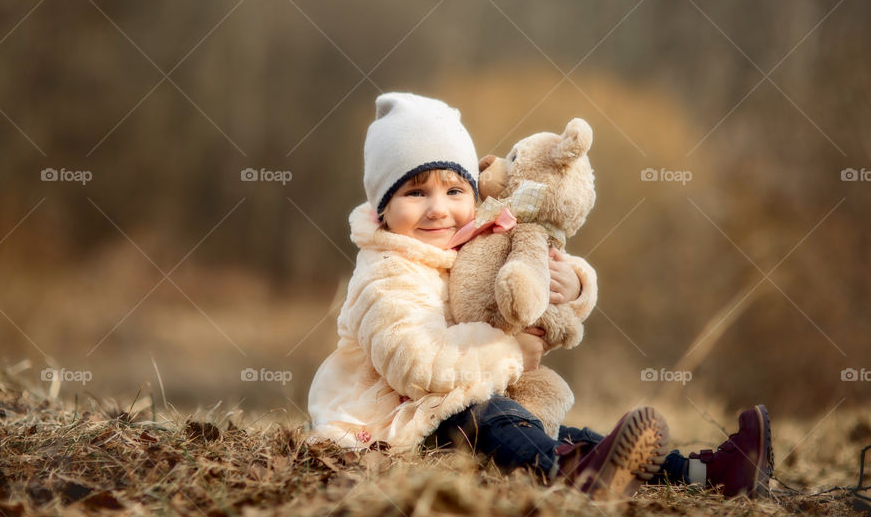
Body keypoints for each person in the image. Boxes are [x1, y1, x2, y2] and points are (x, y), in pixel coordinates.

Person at [307, 91, 773, 498]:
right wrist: (513, 350)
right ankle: (570, 473)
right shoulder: (385, 276)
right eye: (415, 192)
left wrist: (572, 285)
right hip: (396, 421)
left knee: (560, 429)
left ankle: (706, 473)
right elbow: (418, 368)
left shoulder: (471, 243)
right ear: (383, 208)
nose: (439, 209)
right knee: (494, 417)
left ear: (475, 191)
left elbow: (530, 266)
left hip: (463, 401)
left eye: (454, 189)